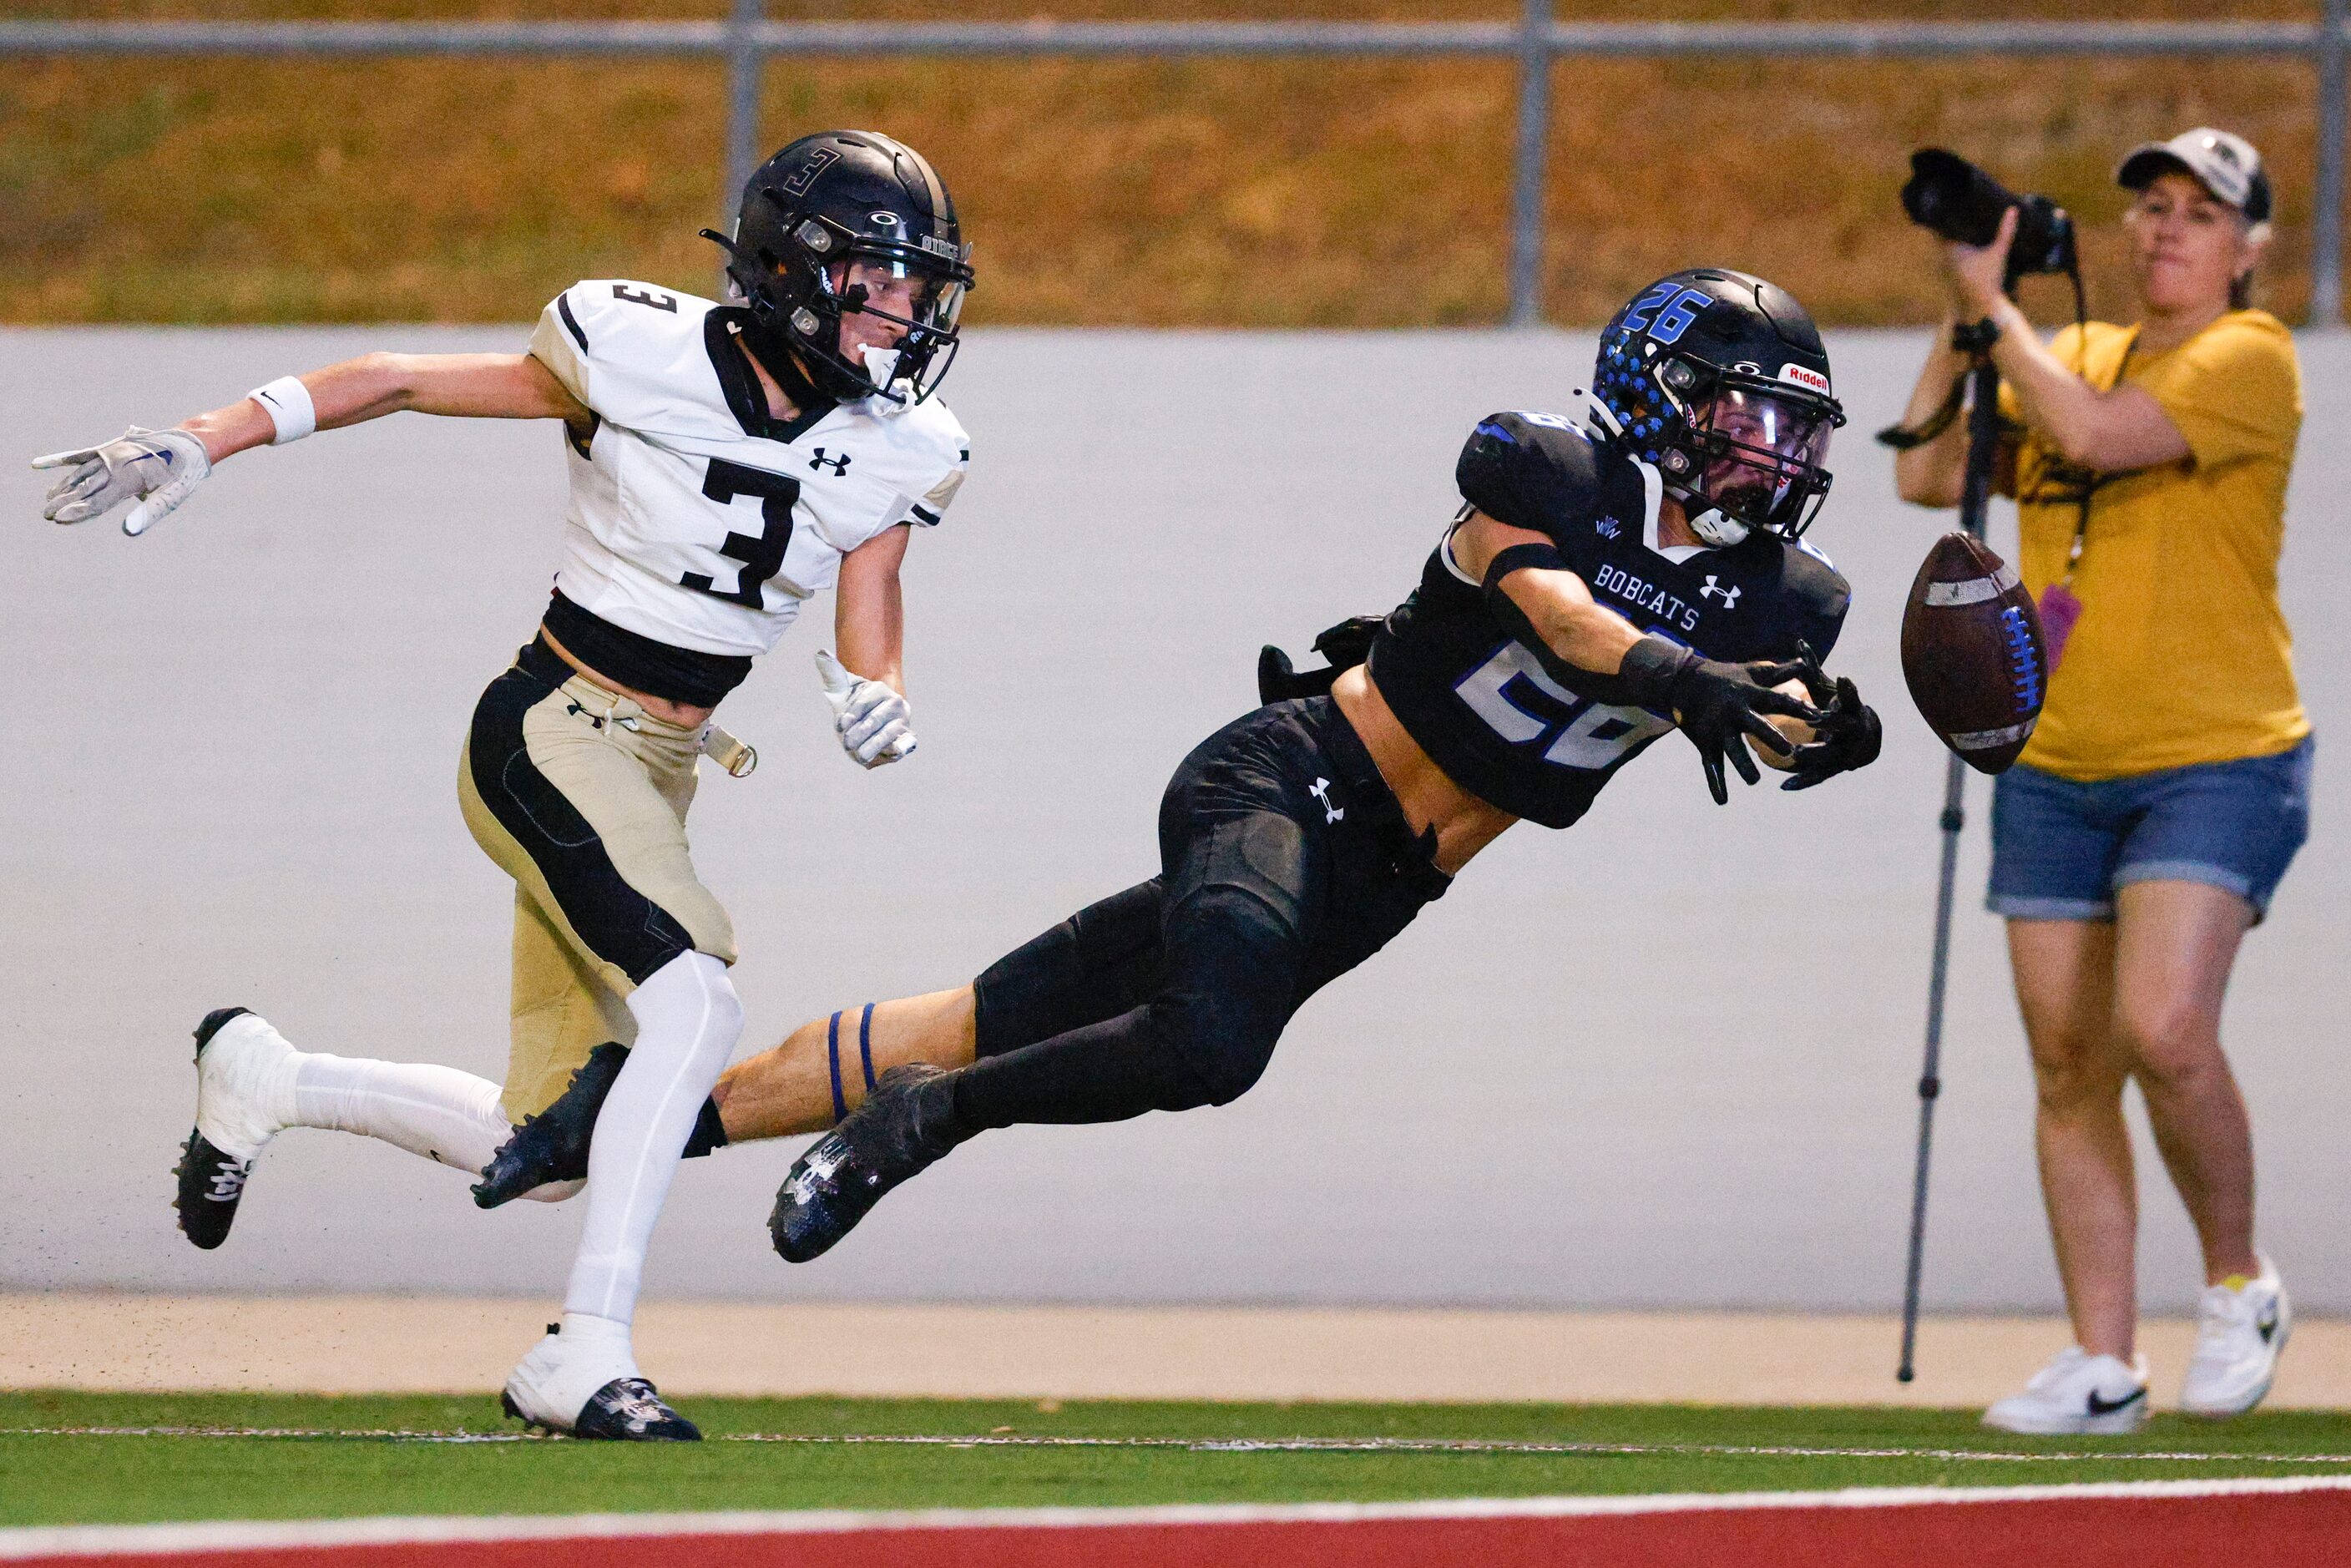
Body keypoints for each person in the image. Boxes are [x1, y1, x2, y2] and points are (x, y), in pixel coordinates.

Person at [470, 270, 1886, 1280]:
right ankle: (925, 1124)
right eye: (1746, 417)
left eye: (1794, 434)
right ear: (1659, 394)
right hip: (1290, 779)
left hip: (1384, 883)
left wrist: (1818, 724)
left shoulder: (1785, 600)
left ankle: (634, 1118)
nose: (1772, 460)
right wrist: (1686, 681)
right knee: (1210, 1044)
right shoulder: (1551, 472)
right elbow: (1574, 622)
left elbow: (1761, 689)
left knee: (980, 1012)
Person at [33, 129, 977, 1441]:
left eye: (919, 287)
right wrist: (213, 434)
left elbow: (872, 593)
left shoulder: (904, 442)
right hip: (548, 728)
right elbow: (403, 379)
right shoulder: (634, 348)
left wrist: (882, 690)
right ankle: (585, 1350)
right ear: (796, 269)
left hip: (657, 774)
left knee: (548, 1148)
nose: (909, 313)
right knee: (696, 1006)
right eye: (882, 278)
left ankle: (271, 1078)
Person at [1893, 129, 2308, 1434]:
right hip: (2057, 756)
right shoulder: (2061, 344)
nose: (2166, 229)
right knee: (2069, 1062)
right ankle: (2104, 1359)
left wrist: (1996, 307)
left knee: (2164, 1030)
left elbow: (2094, 434)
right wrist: (1964, 310)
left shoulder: (2253, 357)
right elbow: (1920, 470)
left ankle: (2238, 1281)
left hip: (2217, 751)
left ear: (2249, 248)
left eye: (2200, 213)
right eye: (2152, 208)